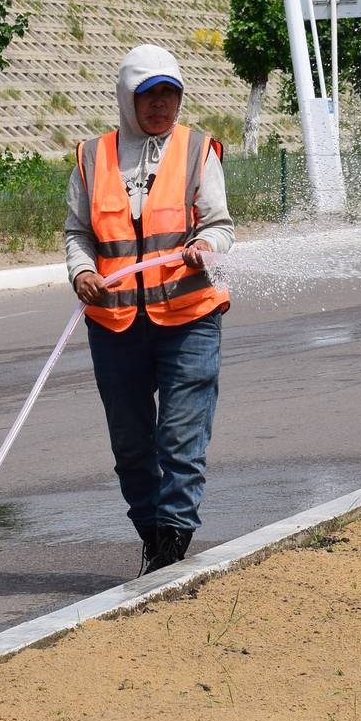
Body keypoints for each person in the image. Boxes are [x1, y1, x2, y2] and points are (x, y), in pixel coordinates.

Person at [66, 44, 234, 576]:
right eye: (149, 95)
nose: (161, 105)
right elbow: (78, 234)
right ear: (127, 99)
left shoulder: (198, 149)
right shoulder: (93, 157)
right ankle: (154, 535)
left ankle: (172, 545)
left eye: (170, 94)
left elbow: (220, 225)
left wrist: (207, 247)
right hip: (115, 325)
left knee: (180, 440)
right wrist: (82, 273)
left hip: (189, 318)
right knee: (133, 449)